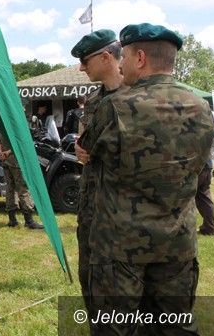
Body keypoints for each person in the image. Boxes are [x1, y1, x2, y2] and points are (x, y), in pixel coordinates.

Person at [85, 23, 214, 334]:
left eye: (125, 56)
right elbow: (201, 168)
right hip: (177, 244)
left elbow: (88, 150)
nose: (121, 64)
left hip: (120, 248)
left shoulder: (114, 106)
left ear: (140, 58)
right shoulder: (202, 108)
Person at [70, 29, 123, 314]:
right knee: (89, 278)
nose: (81, 68)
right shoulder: (93, 100)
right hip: (92, 206)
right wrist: (80, 149)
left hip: (123, 213)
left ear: (106, 57)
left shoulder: (139, 97)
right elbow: (85, 141)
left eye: (85, 61)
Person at [0, 128, 43, 229]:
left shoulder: (1, 123)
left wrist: (1, 153)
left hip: (5, 160)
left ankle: (12, 220)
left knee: (10, 189)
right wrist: (8, 152)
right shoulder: (13, 122)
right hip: (16, 160)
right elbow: (20, 142)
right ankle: (29, 221)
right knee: (23, 189)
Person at [196, 113, 214, 236]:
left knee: (187, 197)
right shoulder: (211, 123)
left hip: (200, 167)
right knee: (204, 196)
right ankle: (209, 228)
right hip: (208, 165)